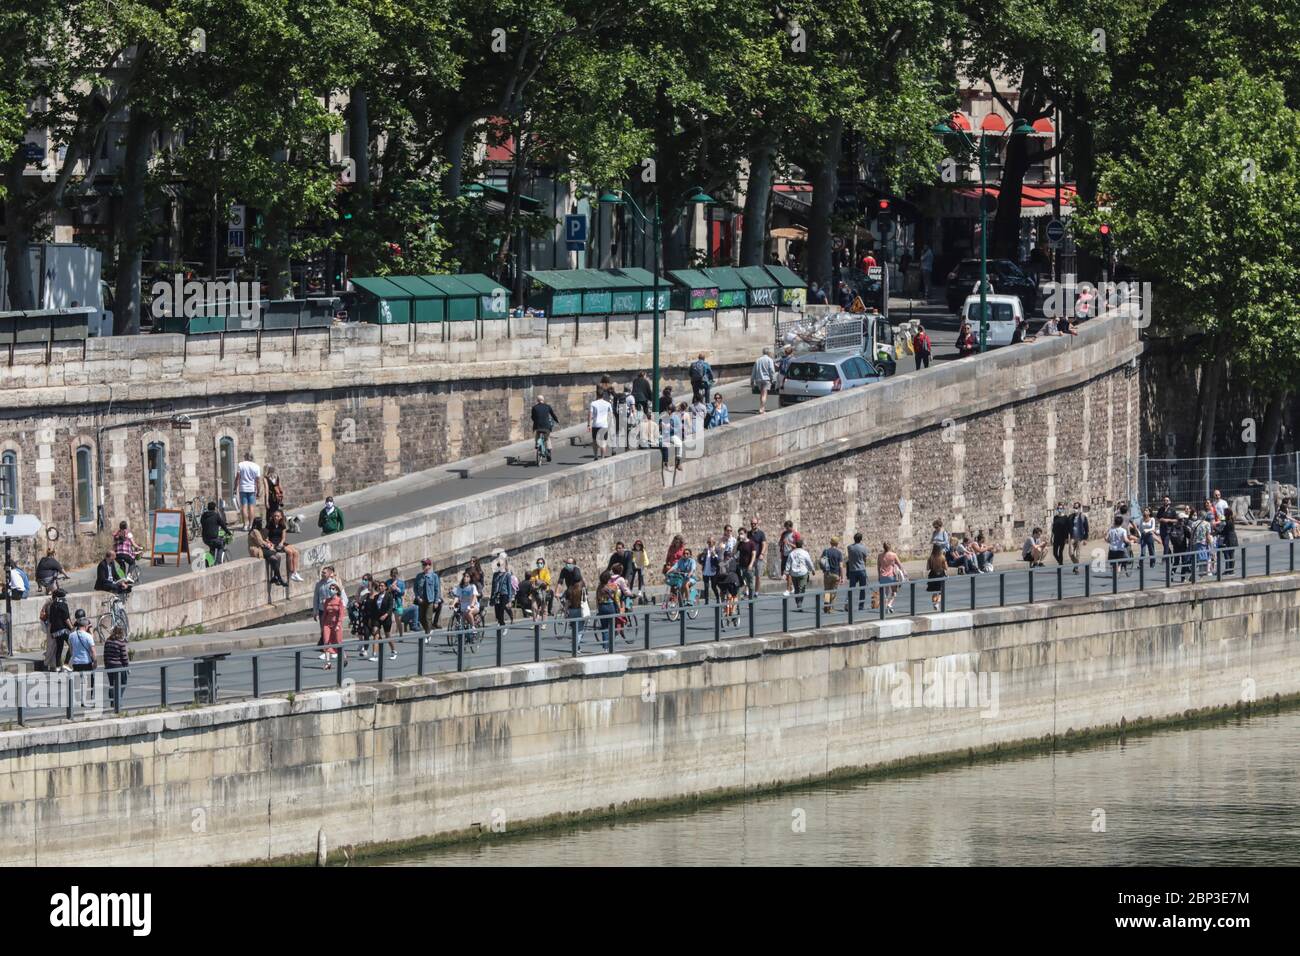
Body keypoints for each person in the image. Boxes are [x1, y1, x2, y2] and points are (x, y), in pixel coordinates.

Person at [68, 609, 97, 706]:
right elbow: (92, 649)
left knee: (78, 682)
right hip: (86, 661)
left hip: (76, 662)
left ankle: (79, 700)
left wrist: (74, 656)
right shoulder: (88, 635)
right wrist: (95, 661)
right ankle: (86, 700)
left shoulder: (72, 635)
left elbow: (71, 649)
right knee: (88, 682)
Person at [312, 566, 343, 656]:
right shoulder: (319, 584)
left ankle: (332, 649)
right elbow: (316, 597)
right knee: (324, 629)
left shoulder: (333, 583)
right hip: (323, 610)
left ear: (329, 574)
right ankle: (327, 649)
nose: (322, 574)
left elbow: (338, 596)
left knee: (333, 631)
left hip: (333, 612)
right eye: (322, 572)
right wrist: (315, 611)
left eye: (324, 572)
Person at [247, 517, 286, 586]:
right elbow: (260, 542)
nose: (261, 524)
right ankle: (279, 578)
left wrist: (269, 543)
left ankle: (275, 576)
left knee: (278, 556)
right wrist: (269, 546)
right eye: (260, 523)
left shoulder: (259, 530)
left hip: (263, 548)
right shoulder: (254, 531)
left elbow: (265, 539)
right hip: (257, 549)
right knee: (273, 559)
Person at [41, 587, 72, 672]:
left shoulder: (52, 605)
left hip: (55, 631)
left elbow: (51, 619)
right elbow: (66, 619)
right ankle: (65, 664)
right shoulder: (63, 604)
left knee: (59, 648)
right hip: (63, 630)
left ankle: (58, 666)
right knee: (72, 645)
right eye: (64, 596)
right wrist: (72, 628)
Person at [266, 510, 302, 581]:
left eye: (278, 516)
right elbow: (266, 537)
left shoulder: (282, 525)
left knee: (296, 552)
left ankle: (295, 572)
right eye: (275, 516)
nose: (276, 517)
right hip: (273, 543)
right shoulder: (269, 524)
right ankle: (291, 572)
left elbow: (283, 537)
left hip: (280, 542)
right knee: (290, 552)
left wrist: (282, 543)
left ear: (281, 517)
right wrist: (271, 543)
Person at [412, 559, 443, 639]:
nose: (424, 566)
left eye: (426, 565)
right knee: (421, 619)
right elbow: (415, 588)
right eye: (423, 565)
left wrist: (436, 601)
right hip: (421, 600)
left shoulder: (434, 576)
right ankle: (429, 629)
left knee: (428, 618)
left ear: (429, 566)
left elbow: (437, 589)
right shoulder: (419, 576)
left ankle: (427, 635)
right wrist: (418, 597)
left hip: (430, 600)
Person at [783, 533, 814, 611]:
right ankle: (799, 602)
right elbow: (809, 562)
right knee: (802, 588)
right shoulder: (805, 552)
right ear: (802, 545)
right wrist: (812, 569)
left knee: (796, 589)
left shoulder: (791, 553)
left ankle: (798, 602)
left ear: (796, 545)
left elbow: (788, 563)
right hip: (803, 573)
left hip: (794, 573)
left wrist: (786, 572)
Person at [104, 624, 130, 707]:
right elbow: (124, 657)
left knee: (112, 684)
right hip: (118, 666)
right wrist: (127, 666)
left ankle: (112, 702)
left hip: (109, 666)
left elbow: (105, 655)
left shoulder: (107, 641)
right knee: (123, 682)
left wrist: (106, 665)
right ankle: (118, 699)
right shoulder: (120, 643)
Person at [320, 583, 345, 669]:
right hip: (327, 624)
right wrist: (322, 625)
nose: (331, 590)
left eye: (333, 588)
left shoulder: (339, 601)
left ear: (337, 590)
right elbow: (325, 614)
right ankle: (328, 663)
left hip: (336, 624)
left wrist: (338, 624)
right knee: (326, 642)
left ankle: (344, 657)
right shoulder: (327, 601)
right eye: (330, 588)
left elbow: (341, 614)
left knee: (338, 642)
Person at [490, 557, 517, 636]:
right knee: (497, 613)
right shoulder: (495, 575)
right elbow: (493, 586)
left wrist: (509, 600)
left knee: (501, 611)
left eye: (501, 564)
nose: (499, 566)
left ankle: (503, 626)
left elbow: (509, 587)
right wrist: (492, 597)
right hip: (496, 595)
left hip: (504, 594)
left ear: (505, 565)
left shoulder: (507, 575)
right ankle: (501, 623)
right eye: (498, 564)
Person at [236, 451, 262, 532]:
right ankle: (251, 525)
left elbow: (237, 478)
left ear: (245, 457)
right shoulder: (256, 466)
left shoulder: (241, 465)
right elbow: (258, 480)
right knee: (251, 507)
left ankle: (245, 525)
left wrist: (234, 488)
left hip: (243, 488)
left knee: (244, 507)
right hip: (252, 489)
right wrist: (258, 490)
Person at [844, 532, 870, 611]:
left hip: (852, 570)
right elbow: (865, 558)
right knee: (862, 589)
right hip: (861, 569)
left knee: (851, 588)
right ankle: (861, 606)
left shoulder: (849, 547)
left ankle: (848, 604)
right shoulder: (863, 548)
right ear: (861, 539)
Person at [200, 500, 230, 565]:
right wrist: (228, 533)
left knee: (212, 547)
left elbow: (203, 524)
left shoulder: (203, 516)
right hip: (213, 538)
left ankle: (210, 562)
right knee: (221, 545)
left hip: (205, 539)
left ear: (208, 508)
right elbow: (223, 525)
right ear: (214, 508)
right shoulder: (216, 516)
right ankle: (218, 562)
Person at [877, 542, 904, 613]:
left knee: (885, 593)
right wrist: (904, 573)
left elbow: (878, 567)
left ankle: (886, 607)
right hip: (891, 576)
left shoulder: (880, 556)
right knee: (894, 591)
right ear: (890, 547)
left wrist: (879, 576)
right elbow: (900, 565)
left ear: (883, 547)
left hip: (882, 576)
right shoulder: (893, 555)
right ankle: (889, 604)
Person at [531, 395, 559, 461]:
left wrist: (536, 421)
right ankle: (548, 451)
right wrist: (557, 420)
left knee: (537, 436)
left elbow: (532, 417)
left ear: (537, 400)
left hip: (538, 426)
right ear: (543, 400)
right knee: (547, 438)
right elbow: (553, 415)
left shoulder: (534, 407)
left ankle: (537, 444)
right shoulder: (547, 406)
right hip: (546, 426)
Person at [596, 572, 619, 651]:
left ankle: (605, 648)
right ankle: (611, 646)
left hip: (602, 607)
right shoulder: (612, 586)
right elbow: (616, 597)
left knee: (604, 628)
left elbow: (597, 599)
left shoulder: (599, 587)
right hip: (610, 607)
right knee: (612, 627)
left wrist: (598, 608)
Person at [819, 536, 843, 613]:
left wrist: (823, 569)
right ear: (837, 544)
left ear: (830, 543)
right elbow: (841, 566)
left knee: (827, 591)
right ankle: (831, 608)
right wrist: (842, 577)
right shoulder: (839, 553)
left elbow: (821, 561)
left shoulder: (826, 551)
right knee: (833, 592)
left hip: (827, 573)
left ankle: (826, 607)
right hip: (836, 574)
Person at [589, 389, 614, 460]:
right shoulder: (608, 404)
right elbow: (610, 416)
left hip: (595, 425)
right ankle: (602, 457)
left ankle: (596, 456)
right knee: (603, 442)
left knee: (594, 441)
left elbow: (590, 415)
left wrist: (588, 425)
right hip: (604, 425)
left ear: (597, 394)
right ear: (603, 395)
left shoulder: (593, 403)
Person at [751, 347, 777, 414]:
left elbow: (754, 371)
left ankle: (761, 407)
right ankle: (762, 409)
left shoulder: (758, 360)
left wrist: (752, 380)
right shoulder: (769, 360)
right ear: (768, 353)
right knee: (764, 394)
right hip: (766, 379)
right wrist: (773, 379)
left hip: (759, 379)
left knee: (761, 394)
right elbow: (772, 370)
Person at [563, 578, 586, 650]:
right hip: (580, 610)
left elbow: (567, 602)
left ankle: (577, 646)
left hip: (571, 610)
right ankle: (576, 646)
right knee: (580, 630)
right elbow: (585, 600)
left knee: (574, 629)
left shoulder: (569, 590)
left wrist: (565, 612)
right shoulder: (582, 589)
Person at [926, 544, 948, 610]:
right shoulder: (942, 557)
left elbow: (927, 568)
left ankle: (934, 604)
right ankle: (937, 603)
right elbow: (946, 567)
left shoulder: (930, 558)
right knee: (940, 591)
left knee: (934, 591)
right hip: (941, 574)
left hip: (932, 575)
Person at [748, 517, 768, 591]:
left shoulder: (761, 533)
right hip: (750, 558)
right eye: (752, 524)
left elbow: (764, 544)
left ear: (757, 524)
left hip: (758, 558)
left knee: (758, 576)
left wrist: (762, 554)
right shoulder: (748, 534)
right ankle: (748, 591)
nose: (753, 525)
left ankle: (756, 591)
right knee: (748, 575)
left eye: (754, 524)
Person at [699, 538, 721, 604]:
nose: (709, 544)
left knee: (713, 586)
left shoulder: (717, 549)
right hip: (706, 570)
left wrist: (714, 554)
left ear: (714, 542)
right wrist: (703, 555)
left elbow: (719, 560)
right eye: (708, 542)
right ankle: (706, 600)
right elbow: (701, 560)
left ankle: (717, 597)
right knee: (706, 586)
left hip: (713, 571)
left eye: (710, 542)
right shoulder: (706, 550)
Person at [1069, 502, 1090, 571]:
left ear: (1080, 508)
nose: (1075, 509)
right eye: (1074, 507)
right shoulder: (1071, 516)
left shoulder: (1083, 517)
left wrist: (1085, 539)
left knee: (1078, 553)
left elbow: (1086, 529)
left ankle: (1076, 567)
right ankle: (1076, 564)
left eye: (1077, 507)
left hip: (1080, 538)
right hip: (1072, 537)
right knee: (1071, 553)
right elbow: (1068, 527)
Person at [1219, 508, 1239, 575]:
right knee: (1231, 555)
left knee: (1227, 555)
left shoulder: (1228, 522)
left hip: (1229, 539)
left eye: (1224, 513)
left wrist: (1216, 530)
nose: (1223, 514)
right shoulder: (1231, 520)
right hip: (1233, 539)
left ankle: (1228, 570)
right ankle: (1231, 570)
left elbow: (1223, 531)